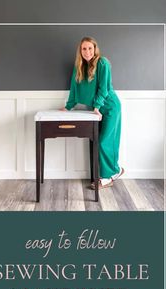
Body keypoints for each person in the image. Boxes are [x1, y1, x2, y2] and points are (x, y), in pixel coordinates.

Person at [60, 36, 124, 189]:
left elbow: (104, 88)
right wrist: (68, 106)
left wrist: (97, 106)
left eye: (90, 48)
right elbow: (74, 88)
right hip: (96, 109)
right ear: (80, 51)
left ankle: (107, 177)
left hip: (109, 107)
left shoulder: (103, 63)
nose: (87, 51)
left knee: (105, 141)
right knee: (97, 142)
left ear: (95, 49)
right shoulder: (79, 66)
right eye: (84, 48)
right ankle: (115, 170)